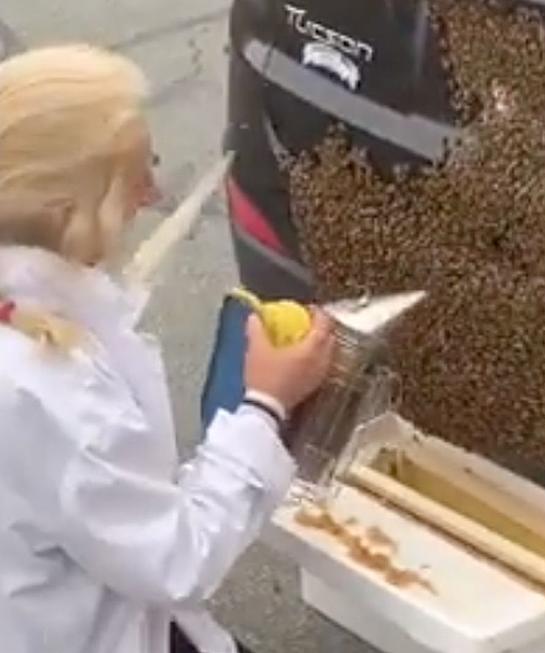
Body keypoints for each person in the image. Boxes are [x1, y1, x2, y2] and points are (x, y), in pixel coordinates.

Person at [0, 45, 336, 653]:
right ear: (69, 204)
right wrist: (265, 404)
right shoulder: (47, 387)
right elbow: (177, 556)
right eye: (133, 175)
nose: (153, 193)